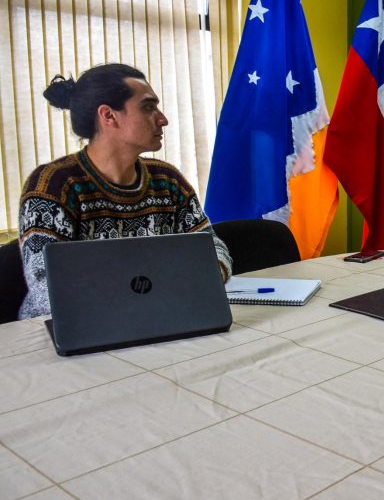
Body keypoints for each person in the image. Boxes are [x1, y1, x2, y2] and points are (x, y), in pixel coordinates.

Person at [18, 63, 232, 319]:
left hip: (159, 315)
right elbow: (47, 290)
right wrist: (164, 287)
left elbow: (212, 247)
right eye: (148, 107)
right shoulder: (53, 185)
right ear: (108, 116)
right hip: (62, 333)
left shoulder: (168, 180)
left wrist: (205, 275)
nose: (163, 119)